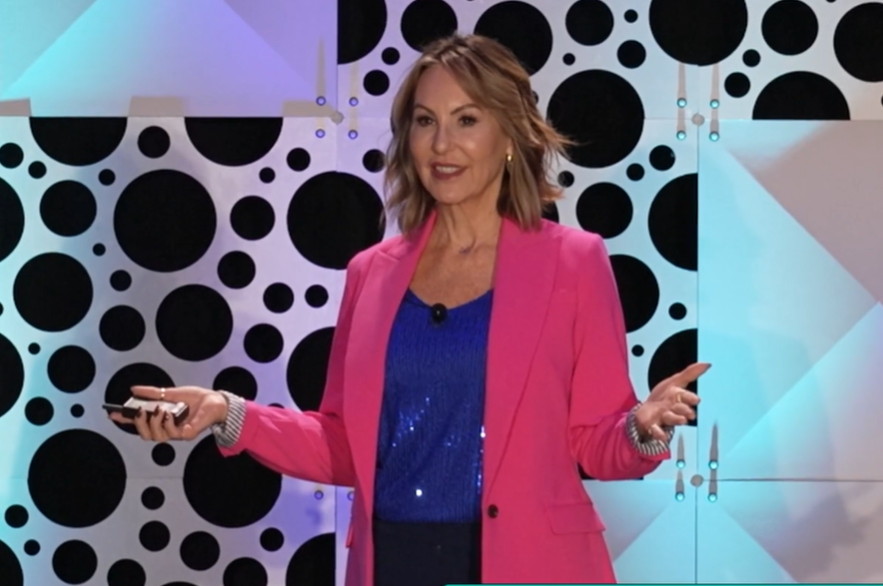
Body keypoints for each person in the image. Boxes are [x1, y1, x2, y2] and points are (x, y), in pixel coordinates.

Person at [110, 33, 708, 586]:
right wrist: (228, 413)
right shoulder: (371, 273)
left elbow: (594, 442)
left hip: (529, 564)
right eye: (425, 121)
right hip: (395, 562)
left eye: (466, 120)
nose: (442, 144)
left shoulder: (573, 262)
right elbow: (343, 444)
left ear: (509, 137)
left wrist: (639, 429)